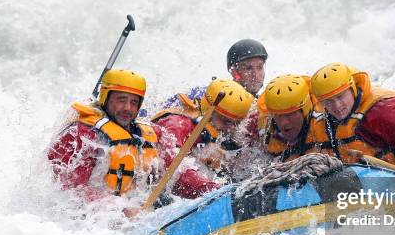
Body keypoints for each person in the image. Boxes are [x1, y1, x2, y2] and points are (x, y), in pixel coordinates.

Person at [48, 69, 162, 200]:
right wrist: (120, 210)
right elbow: (72, 191)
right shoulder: (83, 135)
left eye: (134, 102)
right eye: (121, 100)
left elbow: (174, 176)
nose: (128, 108)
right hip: (89, 215)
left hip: (132, 207)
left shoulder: (149, 134)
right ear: (105, 98)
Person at [151, 78, 255, 185]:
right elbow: (173, 172)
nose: (231, 129)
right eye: (226, 121)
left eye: (237, 123)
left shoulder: (221, 133)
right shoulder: (178, 124)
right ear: (209, 111)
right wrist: (213, 188)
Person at [262, 74, 324, 161]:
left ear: (304, 110)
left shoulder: (326, 126)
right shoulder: (262, 130)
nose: (283, 123)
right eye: (278, 115)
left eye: (289, 114)